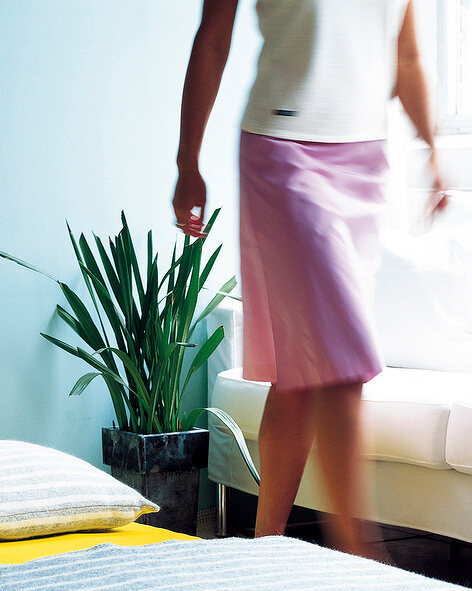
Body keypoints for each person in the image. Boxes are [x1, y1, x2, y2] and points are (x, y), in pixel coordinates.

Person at [173, 0, 447, 558]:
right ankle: (359, 551)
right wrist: (187, 164)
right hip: (282, 154)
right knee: (342, 359)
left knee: (300, 374)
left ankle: (265, 550)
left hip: (365, 163)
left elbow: (407, 55)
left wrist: (433, 149)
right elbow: (213, 39)